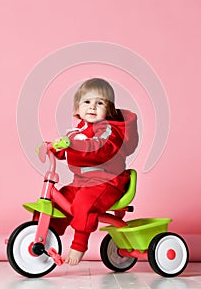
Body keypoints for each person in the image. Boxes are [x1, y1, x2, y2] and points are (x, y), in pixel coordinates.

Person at [48, 78, 138, 265]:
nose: (92, 107)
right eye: (87, 102)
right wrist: (54, 147)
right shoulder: (78, 129)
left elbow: (97, 149)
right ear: (78, 107)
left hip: (107, 182)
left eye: (100, 103)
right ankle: (48, 235)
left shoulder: (108, 130)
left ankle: (79, 243)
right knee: (61, 198)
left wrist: (72, 145)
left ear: (109, 109)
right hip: (82, 181)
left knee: (83, 203)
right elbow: (68, 147)